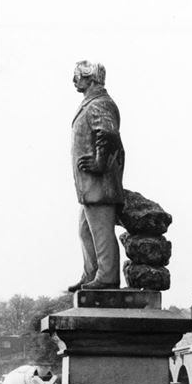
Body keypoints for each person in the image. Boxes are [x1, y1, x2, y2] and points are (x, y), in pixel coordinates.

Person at [67, 61, 126, 292]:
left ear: (90, 79)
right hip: (90, 186)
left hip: (99, 183)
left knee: (101, 230)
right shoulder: (91, 103)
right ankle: (91, 273)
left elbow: (109, 134)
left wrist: (100, 163)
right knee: (85, 230)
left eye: (77, 77)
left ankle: (107, 277)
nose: (74, 81)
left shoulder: (100, 103)